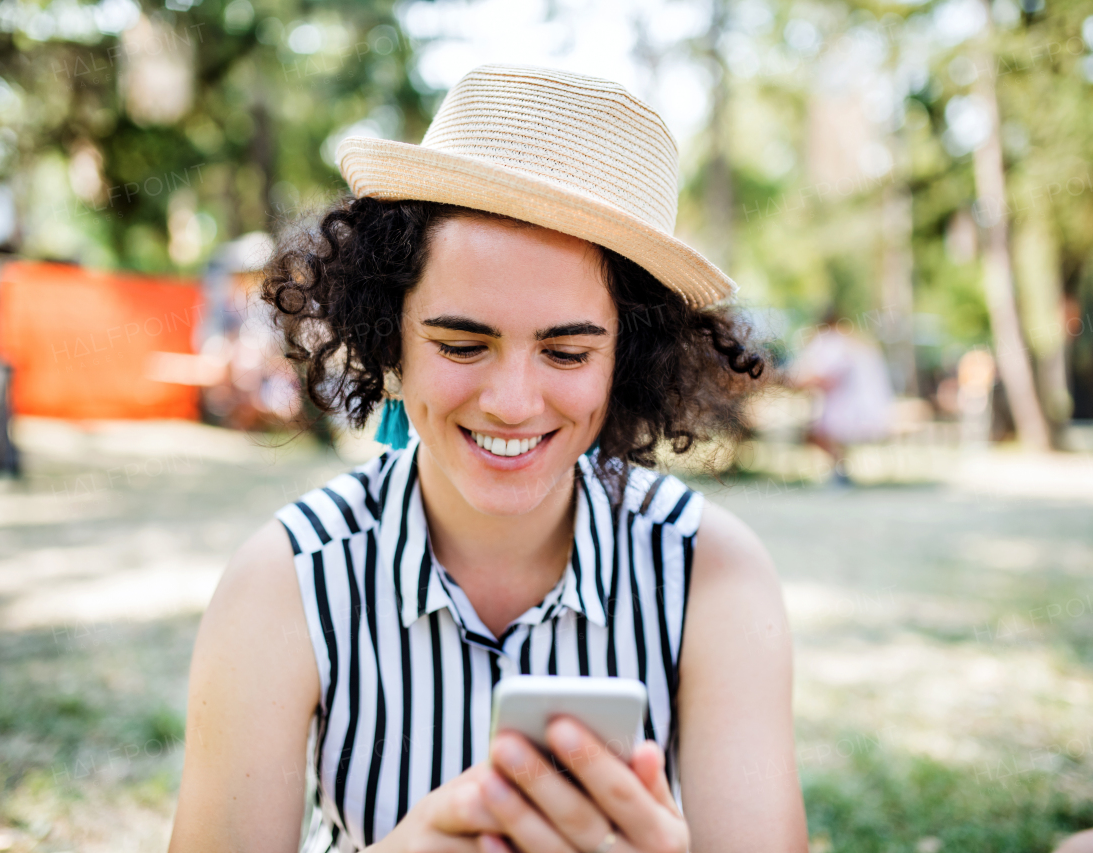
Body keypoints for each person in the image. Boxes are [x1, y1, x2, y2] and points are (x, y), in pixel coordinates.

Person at [168, 64, 805, 853]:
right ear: (389, 334)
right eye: (463, 343)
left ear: (628, 363)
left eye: (567, 353)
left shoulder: (713, 573)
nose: (511, 400)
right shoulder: (288, 580)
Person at [788, 309, 893, 485]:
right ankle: (840, 470)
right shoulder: (856, 342)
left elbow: (827, 378)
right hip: (866, 407)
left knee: (816, 432)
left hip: (852, 410)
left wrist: (795, 381)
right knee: (818, 431)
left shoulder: (836, 343)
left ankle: (840, 472)